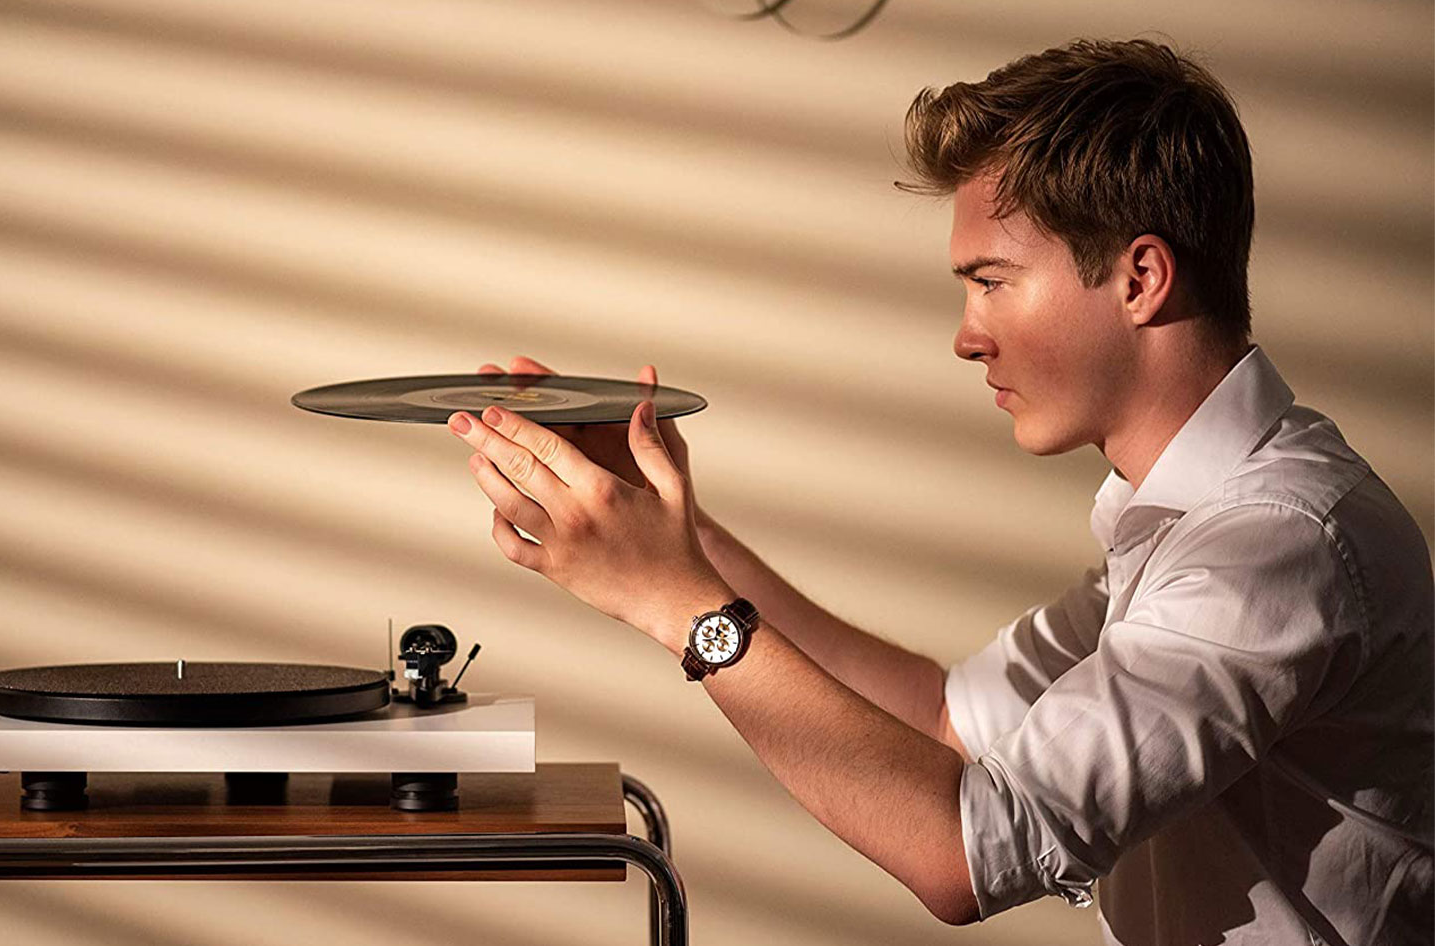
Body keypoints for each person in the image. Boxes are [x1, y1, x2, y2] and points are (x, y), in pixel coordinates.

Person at [444, 38, 1432, 944]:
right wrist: (683, 540)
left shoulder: (1270, 543)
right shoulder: (1195, 518)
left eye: (991, 280)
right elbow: (941, 718)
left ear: (1139, 279)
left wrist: (671, 601)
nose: (965, 334)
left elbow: (963, 853)